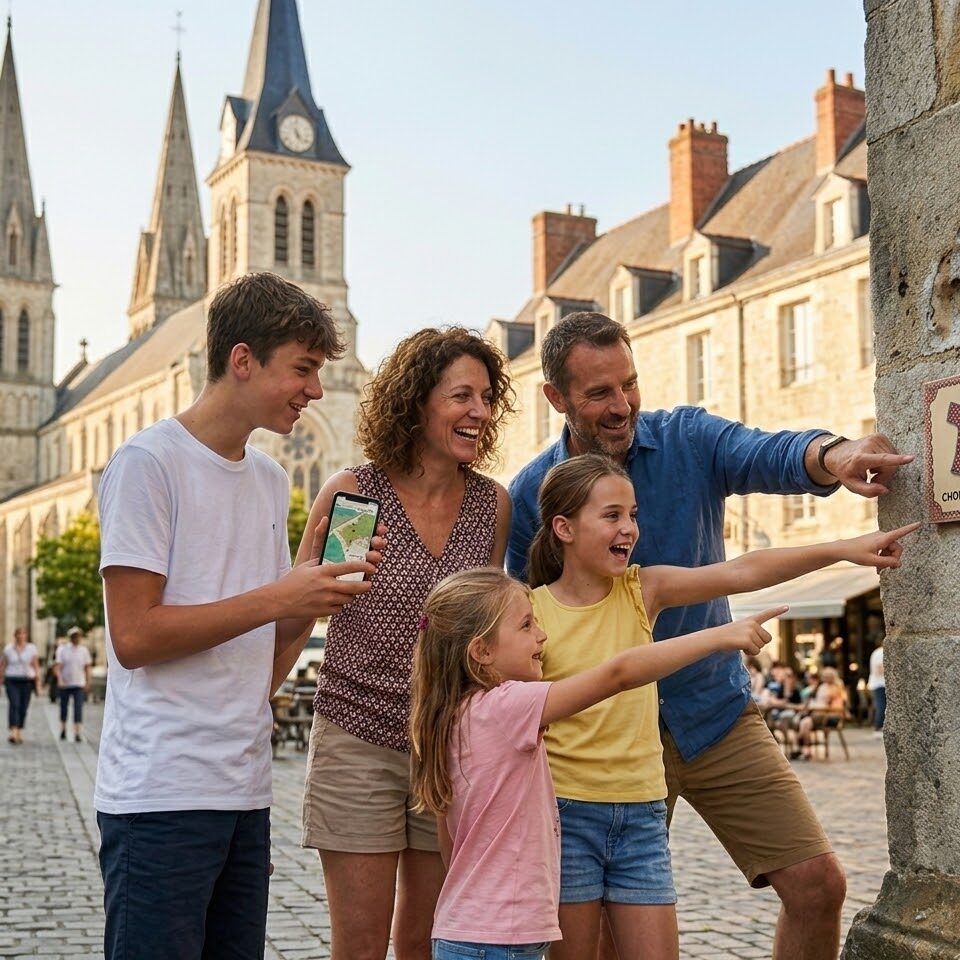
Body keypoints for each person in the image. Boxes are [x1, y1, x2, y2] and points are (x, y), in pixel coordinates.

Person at [506, 311, 915, 959]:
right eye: (599, 393)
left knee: (818, 886)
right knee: (609, 942)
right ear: (556, 398)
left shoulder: (687, 440)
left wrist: (834, 456)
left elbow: (768, 455)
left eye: (630, 384)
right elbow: (520, 631)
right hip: (604, 745)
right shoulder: (531, 494)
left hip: (714, 712)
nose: (622, 405)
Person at [96, 272, 384, 960]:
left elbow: (261, 662)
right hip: (159, 795)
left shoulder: (269, 479)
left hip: (245, 793)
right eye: (303, 369)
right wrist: (278, 598)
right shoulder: (146, 464)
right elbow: (134, 637)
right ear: (243, 359)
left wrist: (310, 597)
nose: (315, 390)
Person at [410, 565, 776, 960]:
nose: (542, 635)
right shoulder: (507, 706)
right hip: (499, 943)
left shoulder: (449, 716)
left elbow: (452, 846)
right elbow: (618, 674)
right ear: (481, 651)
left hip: (464, 929)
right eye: (527, 625)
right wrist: (718, 637)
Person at [298, 326, 514, 960]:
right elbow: (308, 605)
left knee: (425, 941)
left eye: (486, 397)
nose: (478, 411)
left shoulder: (491, 506)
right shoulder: (354, 496)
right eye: (461, 396)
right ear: (418, 402)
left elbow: (486, 634)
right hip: (358, 740)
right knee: (361, 946)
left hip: (449, 750)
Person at [795, 667, 848, 760]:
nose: (826, 678)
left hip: (830, 715)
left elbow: (831, 706)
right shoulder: (822, 687)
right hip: (819, 713)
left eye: (828, 676)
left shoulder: (836, 689)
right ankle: (805, 749)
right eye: (825, 676)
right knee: (804, 723)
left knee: (805, 723)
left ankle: (802, 746)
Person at [1, 627, 41, 744]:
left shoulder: (31, 649)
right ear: (15, 635)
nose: (21, 636)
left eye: (23, 634)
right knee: (14, 704)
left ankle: (19, 730)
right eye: (18, 634)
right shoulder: (8, 648)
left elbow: (36, 666)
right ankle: (13, 731)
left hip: (27, 681)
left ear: (26, 636)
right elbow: (3, 665)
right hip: (11, 680)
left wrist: (38, 683)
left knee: (23, 707)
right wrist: (1, 678)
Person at [55, 627, 92, 742]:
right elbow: (57, 667)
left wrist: (88, 681)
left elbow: (87, 667)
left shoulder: (84, 651)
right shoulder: (63, 649)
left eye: (78, 636)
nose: (76, 638)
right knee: (63, 707)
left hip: (78, 683)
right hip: (65, 683)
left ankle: (77, 732)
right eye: (74, 636)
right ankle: (63, 729)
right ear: (70, 637)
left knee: (78, 708)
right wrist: (60, 679)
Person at [868, 640, 886, 734]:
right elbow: (880, 668)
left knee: (881, 705)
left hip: (880, 683)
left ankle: (879, 726)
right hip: (880, 683)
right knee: (881, 706)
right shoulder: (880, 653)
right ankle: (878, 726)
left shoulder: (878, 652)